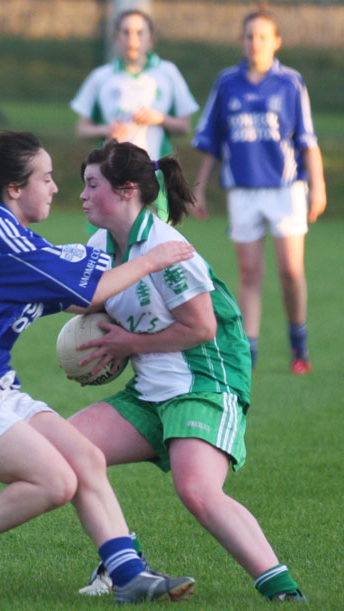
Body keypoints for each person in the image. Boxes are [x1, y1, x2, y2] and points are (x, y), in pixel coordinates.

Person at [0, 131, 197, 603]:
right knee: (56, 481)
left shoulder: (18, 240)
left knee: (84, 456)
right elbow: (89, 291)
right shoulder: (3, 240)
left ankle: (127, 575)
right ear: (14, 188)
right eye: (46, 178)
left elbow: (77, 288)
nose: (55, 188)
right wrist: (152, 259)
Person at [68, 139, 306, 602]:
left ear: (126, 191)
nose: (81, 195)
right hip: (151, 386)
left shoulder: (166, 246)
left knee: (196, 489)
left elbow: (201, 328)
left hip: (204, 381)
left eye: (92, 185)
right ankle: (124, 564)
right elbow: (86, 296)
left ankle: (284, 592)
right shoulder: (103, 242)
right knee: (66, 452)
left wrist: (129, 342)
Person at [191, 8, 327, 374]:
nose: (256, 43)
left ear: (276, 42)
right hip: (242, 190)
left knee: (290, 271)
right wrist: (200, 189)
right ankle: (249, 354)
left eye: (263, 37)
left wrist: (318, 187)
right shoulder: (227, 83)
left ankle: (299, 346)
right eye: (250, 36)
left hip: (286, 189)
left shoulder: (290, 83)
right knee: (249, 274)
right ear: (242, 41)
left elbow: (308, 141)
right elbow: (212, 142)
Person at [70, 8, 199, 222]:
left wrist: (160, 119)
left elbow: (185, 126)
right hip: (112, 175)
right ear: (116, 38)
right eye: (126, 32)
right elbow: (81, 128)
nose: (133, 39)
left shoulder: (167, 73)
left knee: (155, 241)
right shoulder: (101, 77)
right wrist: (106, 129)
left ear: (151, 39)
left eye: (140, 32)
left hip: (154, 174)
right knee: (109, 243)